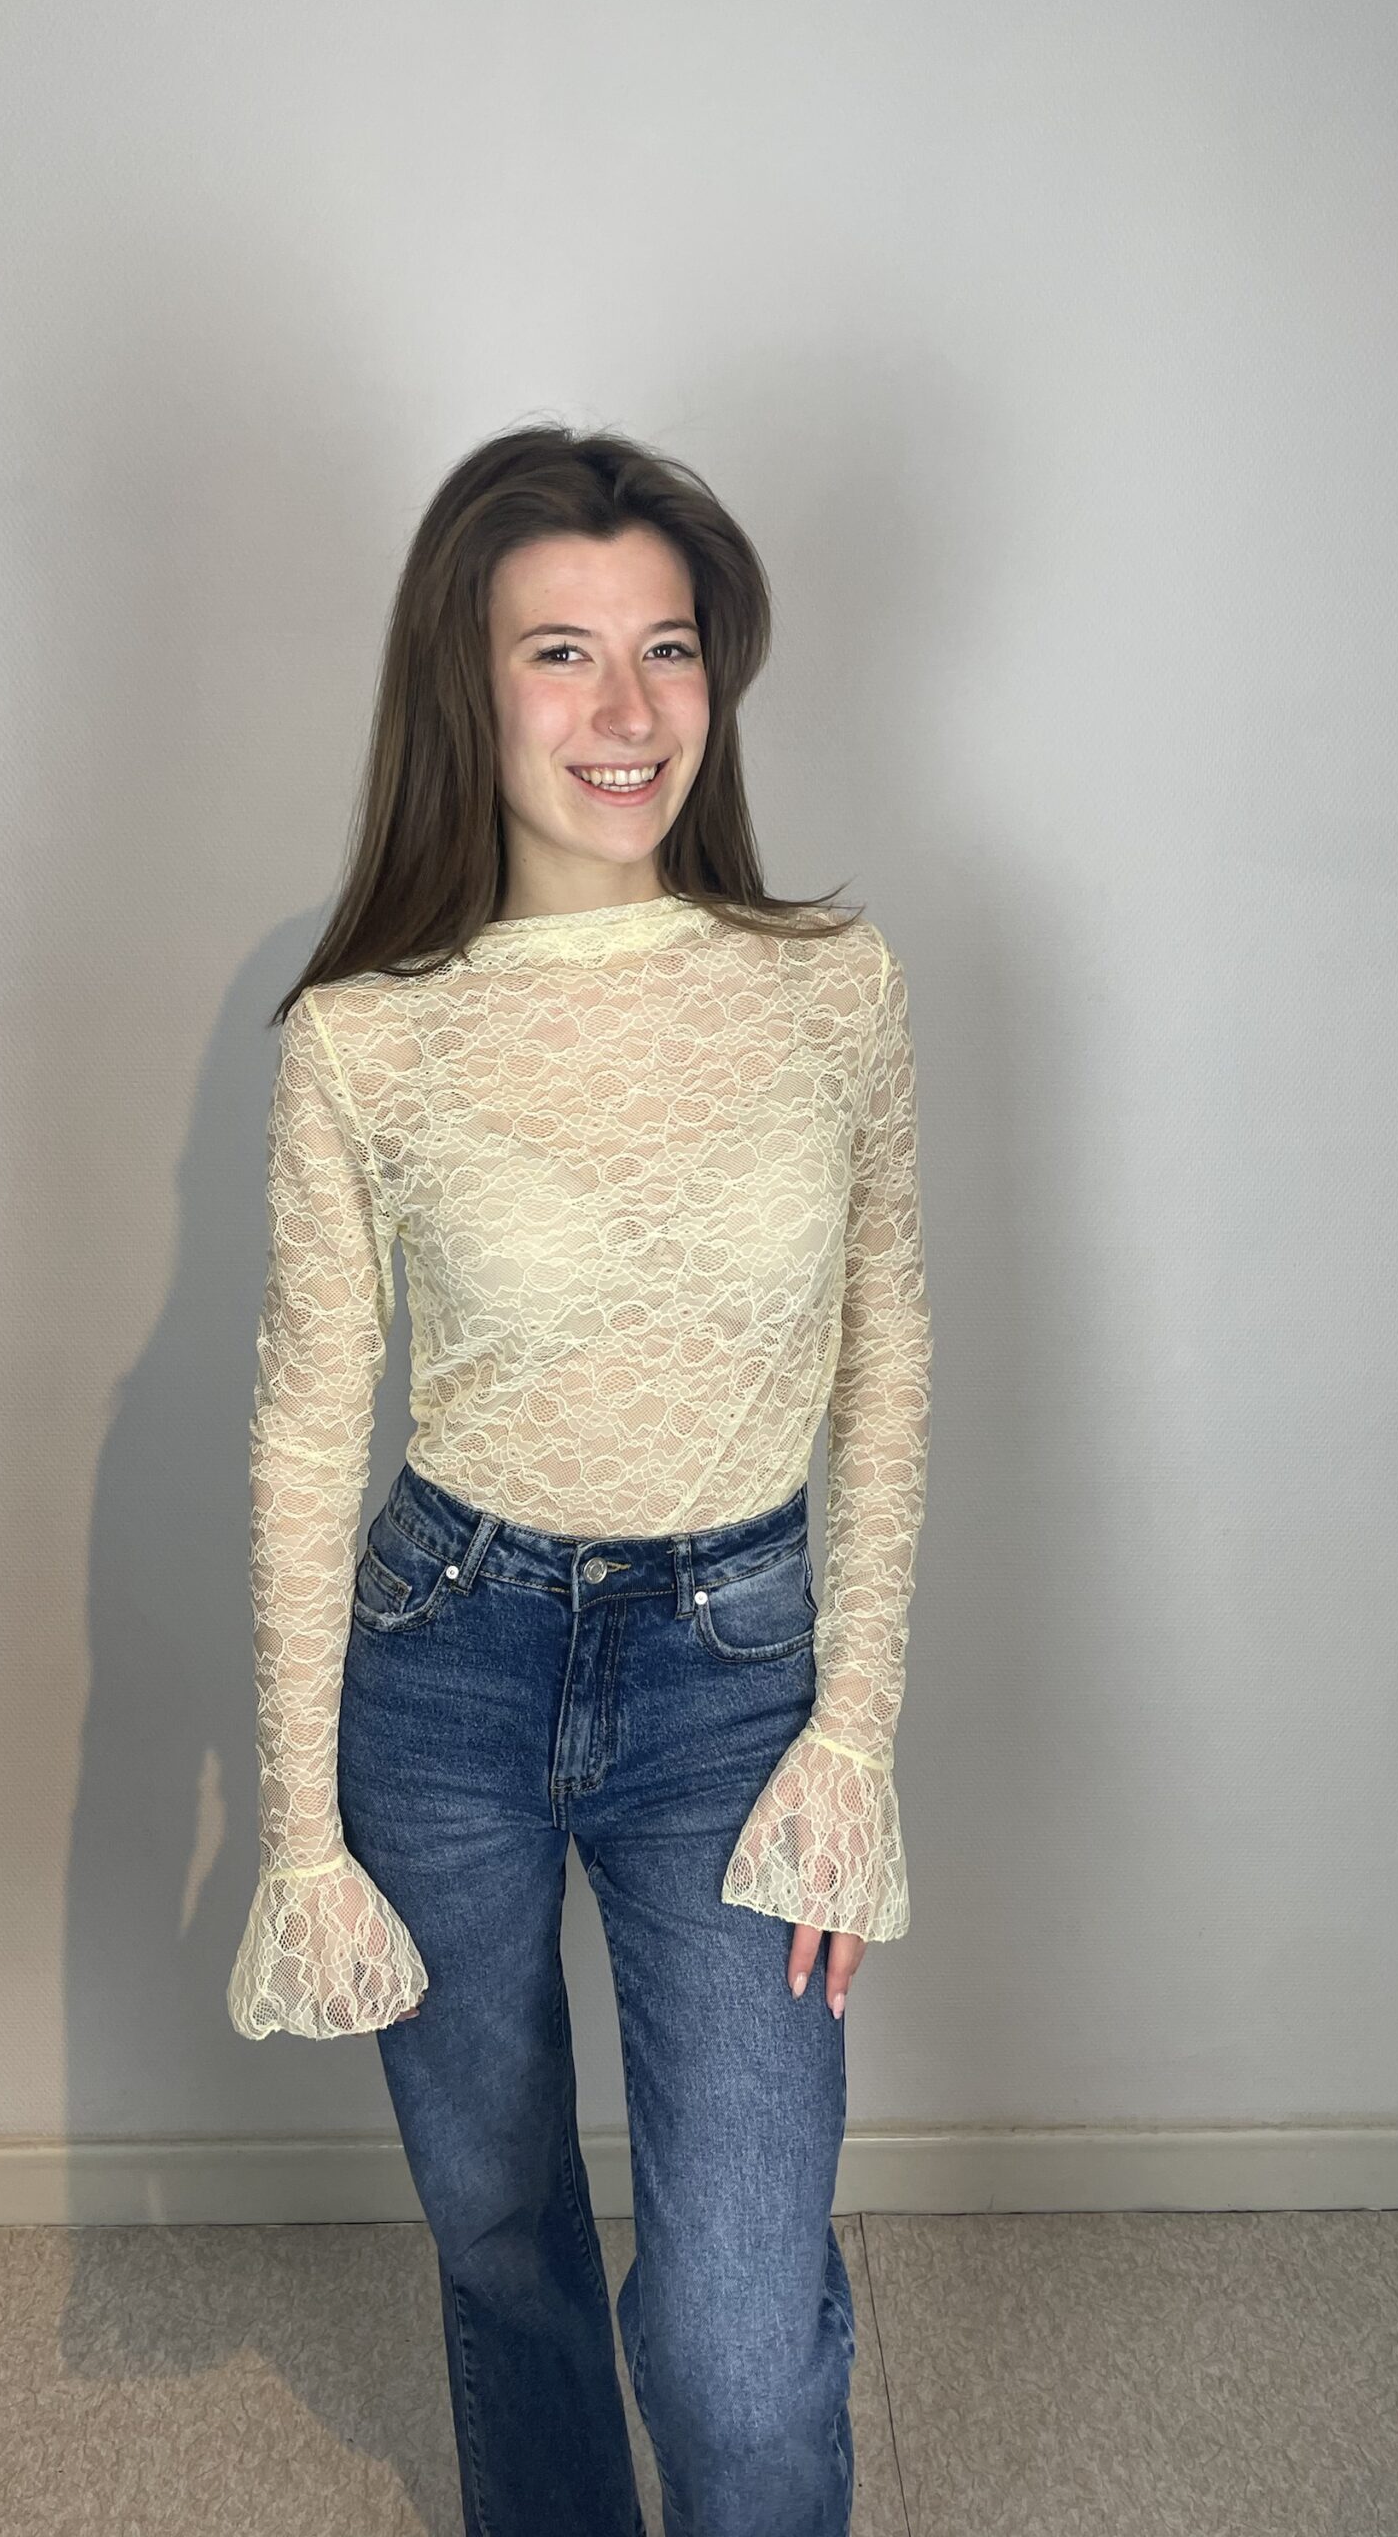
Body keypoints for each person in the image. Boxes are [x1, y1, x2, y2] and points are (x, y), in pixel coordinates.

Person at [225, 421, 933, 2537]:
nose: (627, 710)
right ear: (467, 684)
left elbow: (889, 1356)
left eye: (669, 648)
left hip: (736, 1677)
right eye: (561, 652)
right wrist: (298, 1829)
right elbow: (304, 1423)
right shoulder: (365, 1035)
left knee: (736, 2340)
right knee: (499, 2233)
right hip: (444, 1663)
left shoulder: (830, 990)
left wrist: (855, 1732)